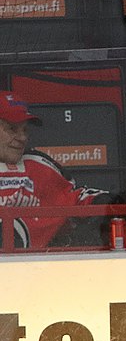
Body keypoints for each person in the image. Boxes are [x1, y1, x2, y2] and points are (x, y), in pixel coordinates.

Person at [0, 93, 107, 249]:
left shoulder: (40, 165)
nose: (22, 137)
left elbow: (76, 198)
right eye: (12, 129)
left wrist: (106, 203)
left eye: (24, 130)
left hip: (37, 267)